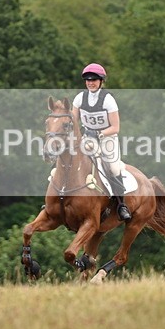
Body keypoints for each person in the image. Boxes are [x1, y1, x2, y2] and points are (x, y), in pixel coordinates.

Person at [71, 63, 132, 221]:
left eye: (94, 80)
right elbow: (73, 121)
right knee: (67, 159)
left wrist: (98, 133)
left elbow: (116, 127)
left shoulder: (108, 100)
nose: (90, 82)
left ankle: (121, 205)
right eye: (88, 80)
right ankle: (56, 198)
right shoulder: (79, 98)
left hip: (107, 138)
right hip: (87, 138)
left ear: (101, 81)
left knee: (113, 167)